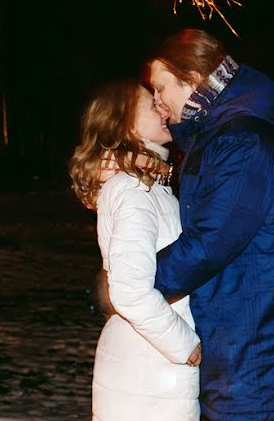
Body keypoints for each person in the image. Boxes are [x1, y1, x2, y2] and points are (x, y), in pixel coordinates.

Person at [148, 29, 274, 420]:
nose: (156, 102)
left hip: (255, 373)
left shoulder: (241, 143)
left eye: (160, 88)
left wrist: (128, 281)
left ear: (190, 78)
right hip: (241, 363)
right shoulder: (219, 139)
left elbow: (208, 245)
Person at [69, 80, 203, 421]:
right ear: (123, 123)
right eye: (149, 103)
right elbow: (128, 290)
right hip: (148, 375)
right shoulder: (132, 189)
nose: (161, 107)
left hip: (148, 367)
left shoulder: (149, 186)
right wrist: (184, 345)